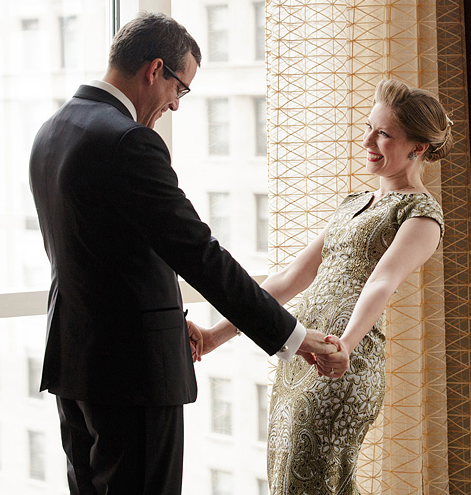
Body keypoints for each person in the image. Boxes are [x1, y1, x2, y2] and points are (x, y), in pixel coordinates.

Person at [28, 12, 338, 495]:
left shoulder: (54, 130)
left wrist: (168, 314)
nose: (175, 104)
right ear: (155, 70)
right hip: (134, 375)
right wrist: (292, 337)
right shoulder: (129, 141)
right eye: (180, 88)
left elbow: (103, 257)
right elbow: (199, 254)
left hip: (76, 365)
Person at [192, 78, 453, 493]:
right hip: (300, 359)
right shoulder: (353, 203)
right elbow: (287, 280)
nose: (367, 139)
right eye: (369, 126)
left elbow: (381, 283)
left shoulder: (423, 214)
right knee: (289, 479)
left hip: (343, 363)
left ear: (417, 148)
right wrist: (212, 337)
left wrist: (345, 345)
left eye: (383, 133)